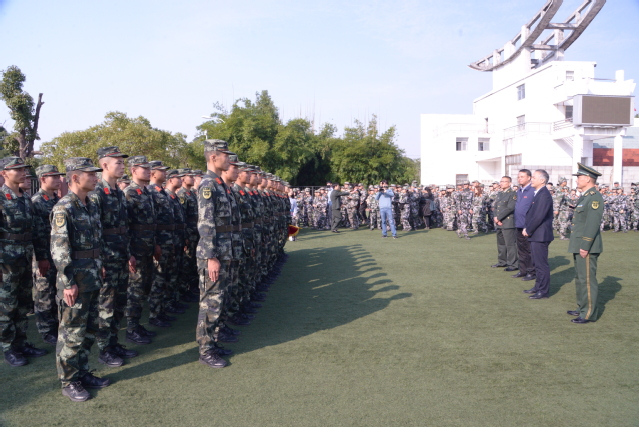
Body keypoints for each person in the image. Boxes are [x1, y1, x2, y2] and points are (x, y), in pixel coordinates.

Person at [52, 157, 110, 401]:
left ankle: (82, 372)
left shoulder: (91, 205)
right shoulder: (64, 208)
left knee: (89, 330)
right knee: (71, 333)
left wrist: (100, 264)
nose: (96, 177)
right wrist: (68, 282)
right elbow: (60, 249)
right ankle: (69, 380)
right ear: (75, 177)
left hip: (92, 276)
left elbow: (97, 240)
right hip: (75, 281)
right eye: (91, 174)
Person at [90, 147, 139, 368]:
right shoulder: (96, 193)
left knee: (119, 304)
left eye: (122, 162)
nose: (122, 166)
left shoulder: (118, 191)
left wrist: (128, 253)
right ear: (104, 165)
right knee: (106, 306)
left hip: (120, 255)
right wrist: (98, 260)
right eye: (117, 162)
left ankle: (114, 343)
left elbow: (123, 227)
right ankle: (104, 349)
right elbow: (94, 231)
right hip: (107, 258)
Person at [1, 157, 48, 367]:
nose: (23, 173)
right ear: (4, 173)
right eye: (17, 169)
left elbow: (36, 231)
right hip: (6, 263)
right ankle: (8, 347)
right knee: (6, 306)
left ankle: (21, 343)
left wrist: (42, 256)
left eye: (24, 169)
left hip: (25, 259)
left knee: (23, 305)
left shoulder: (25, 198)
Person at [196, 139, 235, 368]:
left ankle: (213, 342)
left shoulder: (219, 184)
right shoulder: (208, 185)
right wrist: (211, 257)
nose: (228, 159)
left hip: (223, 251)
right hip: (213, 254)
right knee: (209, 303)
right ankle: (205, 350)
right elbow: (206, 223)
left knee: (218, 301)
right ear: (213, 157)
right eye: (225, 154)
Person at [31, 165, 65, 345]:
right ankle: (46, 330)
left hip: (57, 254)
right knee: (44, 293)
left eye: (59, 176)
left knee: (56, 291)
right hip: (44, 255)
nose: (58, 179)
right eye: (54, 177)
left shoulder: (57, 200)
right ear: (43, 179)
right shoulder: (37, 201)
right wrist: (41, 257)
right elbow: (37, 233)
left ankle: (56, 325)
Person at [567, 163, 604, 323]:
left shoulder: (594, 197)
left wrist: (585, 245)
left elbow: (592, 223)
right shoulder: (586, 196)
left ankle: (588, 313)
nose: (577, 180)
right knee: (580, 278)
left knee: (587, 280)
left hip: (586, 245)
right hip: (579, 244)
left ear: (588, 179)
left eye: (579, 177)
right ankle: (582, 307)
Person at [522, 170, 554, 299]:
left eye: (534, 177)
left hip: (540, 235)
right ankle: (538, 286)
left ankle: (543, 291)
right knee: (536, 263)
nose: (532, 180)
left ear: (542, 180)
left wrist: (528, 229)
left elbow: (539, 216)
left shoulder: (544, 195)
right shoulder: (539, 193)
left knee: (541, 265)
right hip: (536, 234)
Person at [492, 176, 518, 271]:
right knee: (501, 244)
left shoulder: (513, 194)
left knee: (510, 244)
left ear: (509, 183)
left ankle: (513, 264)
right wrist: (495, 217)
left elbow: (510, 208)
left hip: (507, 222)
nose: (501, 183)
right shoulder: (500, 193)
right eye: (501, 181)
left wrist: (498, 218)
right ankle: (502, 261)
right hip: (499, 222)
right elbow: (496, 206)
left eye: (504, 181)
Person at [514, 169, 535, 281]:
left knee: (529, 250)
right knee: (521, 249)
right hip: (519, 224)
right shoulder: (519, 191)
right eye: (518, 177)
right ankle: (523, 270)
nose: (519, 179)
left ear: (529, 178)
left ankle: (531, 272)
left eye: (522, 176)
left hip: (528, 226)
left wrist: (528, 226)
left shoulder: (532, 190)